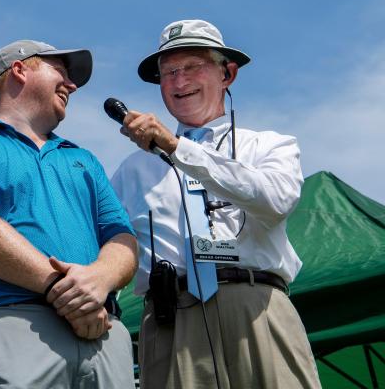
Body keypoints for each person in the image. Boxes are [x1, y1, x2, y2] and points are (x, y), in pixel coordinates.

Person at [110, 19, 320, 389]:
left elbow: (275, 201)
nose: (179, 81)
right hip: (170, 319)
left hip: (258, 309)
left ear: (228, 73)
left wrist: (179, 149)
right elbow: (107, 248)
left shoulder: (270, 145)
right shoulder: (130, 171)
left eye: (193, 67)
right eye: (168, 72)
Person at [0, 40, 138, 388]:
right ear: (19, 69)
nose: (72, 85)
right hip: (17, 323)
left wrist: (100, 280)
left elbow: (122, 237)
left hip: (102, 328)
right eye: (60, 70)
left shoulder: (84, 159)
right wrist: (70, 291)